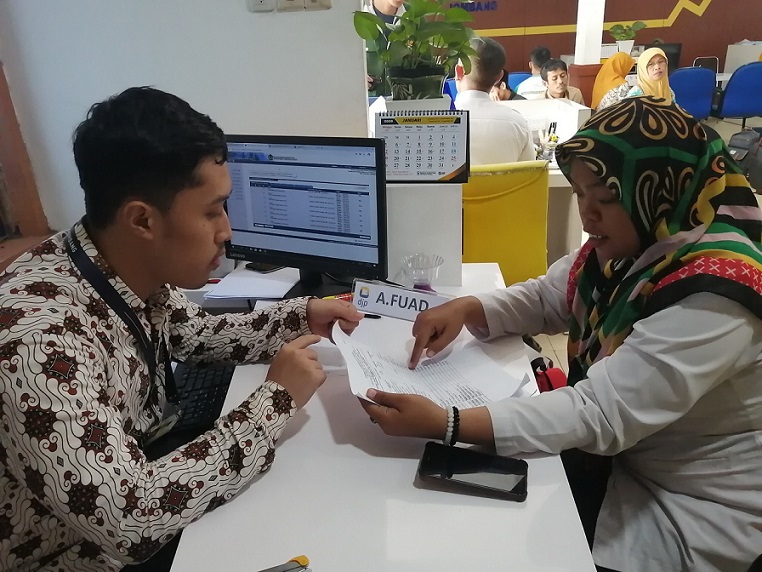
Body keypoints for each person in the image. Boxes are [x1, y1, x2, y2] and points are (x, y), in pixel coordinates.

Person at [361, 96, 762, 571]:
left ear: (660, 188)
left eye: (605, 198)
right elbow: (549, 296)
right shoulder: (645, 243)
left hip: (691, 501)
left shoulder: (715, 292)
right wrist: (469, 307)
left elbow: (602, 412)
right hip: (627, 461)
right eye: (579, 193)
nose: (587, 215)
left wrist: (447, 423)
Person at [0, 86, 363, 571]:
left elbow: (195, 336)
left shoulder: (112, 262)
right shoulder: (38, 342)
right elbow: (132, 519)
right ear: (142, 220)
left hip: (131, 490)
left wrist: (301, 315)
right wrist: (275, 401)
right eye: (212, 211)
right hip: (73, 555)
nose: (227, 230)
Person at [454, 36, 534, 165]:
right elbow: (530, 172)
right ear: (499, 77)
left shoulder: (436, 123)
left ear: (458, 72)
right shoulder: (518, 123)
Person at [363, 0, 405, 96]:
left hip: (405, 102)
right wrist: (353, 78)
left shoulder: (415, 16)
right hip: (365, 102)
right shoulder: (358, 17)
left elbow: (429, 72)